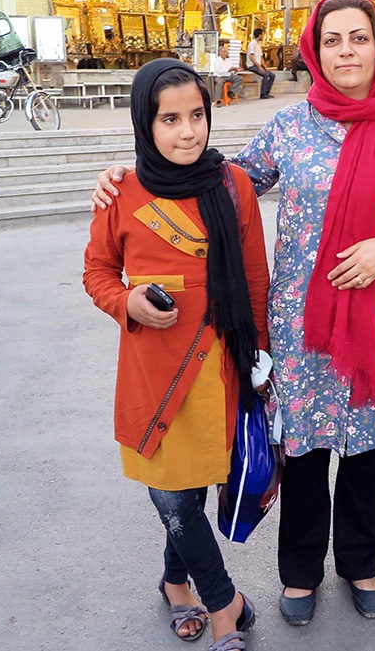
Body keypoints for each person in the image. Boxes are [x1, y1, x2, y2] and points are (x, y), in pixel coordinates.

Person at [92, 0, 375, 627]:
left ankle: (359, 561)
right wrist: (134, 177)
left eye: (358, 38)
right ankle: (299, 572)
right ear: (315, 53)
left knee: (366, 452)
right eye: (332, 40)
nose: (346, 51)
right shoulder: (291, 128)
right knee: (306, 452)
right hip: (303, 324)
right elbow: (219, 182)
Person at [83, 58, 270, 651]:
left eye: (197, 116)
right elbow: (96, 271)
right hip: (154, 375)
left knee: (188, 492)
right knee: (171, 494)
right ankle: (224, 605)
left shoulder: (233, 185)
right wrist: (127, 301)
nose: (188, 132)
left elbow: (255, 280)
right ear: (146, 123)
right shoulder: (122, 192)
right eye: (170, 119)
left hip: (218, 371)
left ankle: (174, 583)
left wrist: (259, 361)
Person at [245, 28, 275, 99]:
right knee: (265, 75)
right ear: (259, 35)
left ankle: (267, 92)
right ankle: (263, 94)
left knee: (272, 75)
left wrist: (265, 67)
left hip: (258, 65)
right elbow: (251, 56)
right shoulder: (252, 44)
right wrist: (259, 67)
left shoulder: (258, 45)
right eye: (262, 35)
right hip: (252, 66)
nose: (263, 36)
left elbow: (261, 57)